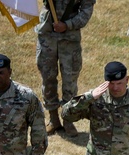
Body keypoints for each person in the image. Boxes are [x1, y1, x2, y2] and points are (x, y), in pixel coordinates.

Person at [35, 0, 95, 137]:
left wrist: (67, 25)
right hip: (47, 34)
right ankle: (53, 118)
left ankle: (68, 119)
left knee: (70, 80)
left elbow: (86, 12)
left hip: (70, 38)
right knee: (48, 78)